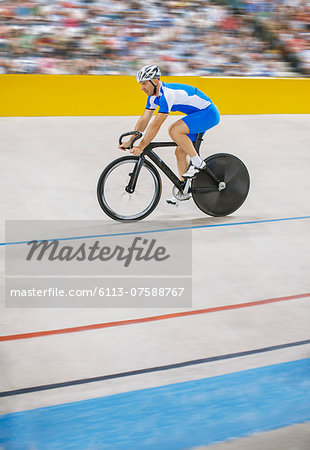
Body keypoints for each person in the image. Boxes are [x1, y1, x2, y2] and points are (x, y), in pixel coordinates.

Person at [119, 64, 220, 203]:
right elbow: (144, 119)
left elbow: (155, 124)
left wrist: (142, 146)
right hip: (196, 115)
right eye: (140, 84)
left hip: (208, 113)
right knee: (180, 152)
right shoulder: (153, 97)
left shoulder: (167, 94)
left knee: (174, 130)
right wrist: (131, 140)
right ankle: (184, 189)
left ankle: (197, 163)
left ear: (155, 81)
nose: (142, 88)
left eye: (144, 84)